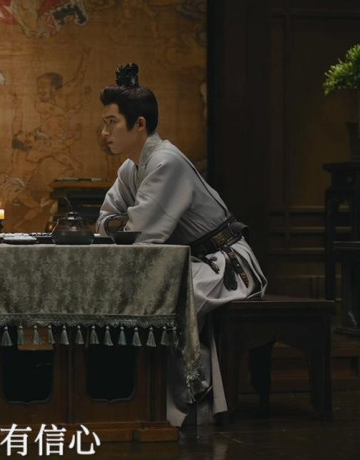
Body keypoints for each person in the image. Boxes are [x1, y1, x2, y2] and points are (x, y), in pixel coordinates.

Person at [95, 63, 267, 427]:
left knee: (163, 295)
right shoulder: (130, 168)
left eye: (112, 122)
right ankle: (134, 394)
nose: (104, 132)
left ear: (140, 124)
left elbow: (141, 234)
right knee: (144, 290)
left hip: (225, 264)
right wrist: (123, 223)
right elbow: (105, 222)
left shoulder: (166, 162)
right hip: (193, 260)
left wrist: (122, 223)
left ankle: (186, 398)